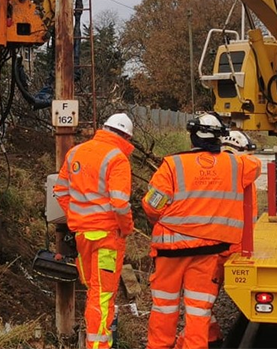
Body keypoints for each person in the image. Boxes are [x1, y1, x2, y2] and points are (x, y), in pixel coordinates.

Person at [144, 114, 261, 349]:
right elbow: (255, 165)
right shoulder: (236, 165)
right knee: (199, 309)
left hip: (171, 250)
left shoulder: (172, 165)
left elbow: (151, 206)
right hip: (210, 251)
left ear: (192, 136)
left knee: (164, 306)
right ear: (220, 139)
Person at [54, 113, 135, 349]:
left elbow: (60, 191)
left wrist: (76, 217)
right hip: (107, 238)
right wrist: (127, 227)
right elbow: (120, 203)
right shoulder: (118, 159)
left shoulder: (76, 152)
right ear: (126, 136)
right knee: (102, 295)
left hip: (82, 237)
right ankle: (97, 346)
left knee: (94, 291)